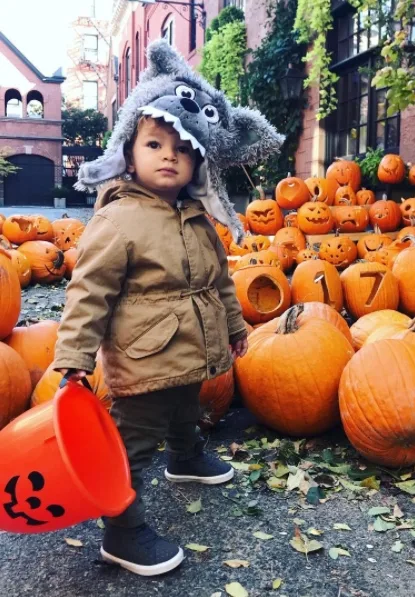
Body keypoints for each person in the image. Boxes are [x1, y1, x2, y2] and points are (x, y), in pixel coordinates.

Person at [53, 40, 283, 577]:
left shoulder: (198, 219)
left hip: (188, 351)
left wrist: (231, 326)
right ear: (128, 151)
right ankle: (122, 529)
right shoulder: (117, 222)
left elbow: (219, 280)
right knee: (131, 443)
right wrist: (73, 361)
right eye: (154, 143)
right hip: (142, 360)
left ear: (197, 161)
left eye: (181, 148)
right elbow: (88, 295)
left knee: (186, 403)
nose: (168, 155)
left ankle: (185, 457)